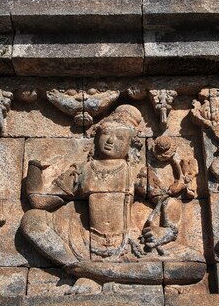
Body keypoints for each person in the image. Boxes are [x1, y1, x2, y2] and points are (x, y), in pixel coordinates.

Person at [20, 105, 204, 293]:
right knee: (31, 219)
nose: (110, 141)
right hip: (83, 244)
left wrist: (167, 231)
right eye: (106, 134)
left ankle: (93, 274)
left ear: (132, 144)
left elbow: (166, 200)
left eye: (120, 138)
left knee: (195, 264)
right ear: (97, 137)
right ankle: (78, 267)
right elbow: (39, 202)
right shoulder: (82, 171)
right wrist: (34, 167)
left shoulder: (135, 172)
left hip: (128, 245)